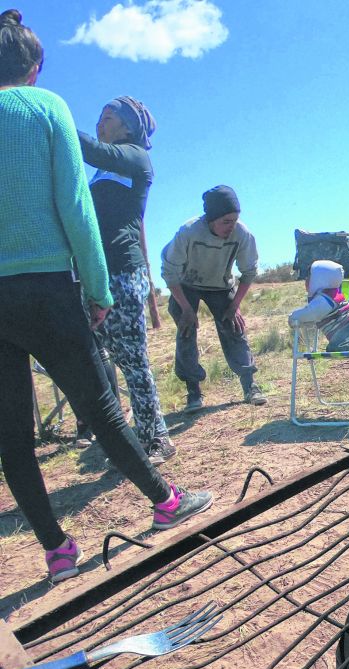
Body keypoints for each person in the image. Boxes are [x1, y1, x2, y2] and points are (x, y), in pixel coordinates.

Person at [0, 8, 211, 583]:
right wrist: (97, 289)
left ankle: (56, 552)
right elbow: (75, 208)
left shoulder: (129, 156)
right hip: (46, 285)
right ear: (35, 68)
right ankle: (165, 502)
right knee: (100, 404)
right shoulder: (45, 108)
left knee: (11, 435)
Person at [76, 95, 175, 463]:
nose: (100, 123)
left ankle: (157, 439)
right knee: (107, 357)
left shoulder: (136, 157)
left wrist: (54, 123)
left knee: (134, 362)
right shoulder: (104, 171)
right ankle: (129, 434)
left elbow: (94, 151)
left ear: (129, 126)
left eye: (107, 117)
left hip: (122, 271)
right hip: (95, 273)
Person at [161, 185, 266, 412]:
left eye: (234, 220)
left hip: (220, 285)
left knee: (234, 326)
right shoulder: (188, 232)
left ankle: (250, 384)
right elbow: (169, 273)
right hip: (186, 285)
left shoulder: (243, 234)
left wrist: (235, 305)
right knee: (186, 329)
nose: (231, 226)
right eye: (226, 221)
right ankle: (193, 391)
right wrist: (186, 309)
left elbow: (249, 272)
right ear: (211, 219)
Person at [288, 259, 349, 352]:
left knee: (335, 347)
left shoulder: (325, 299)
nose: (306, 281)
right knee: (334, 346)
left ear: (319, 279)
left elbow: (310, 313)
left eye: (309, 277)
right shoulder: (325, 296)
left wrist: (293, 317)